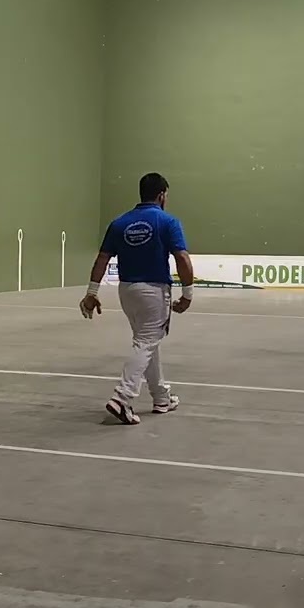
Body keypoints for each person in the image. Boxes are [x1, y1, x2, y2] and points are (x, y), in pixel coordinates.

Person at [80, 172, 195, 425]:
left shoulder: (119, 222)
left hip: (127, 292)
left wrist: (92, 293)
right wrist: (187, 295)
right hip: (153, 292)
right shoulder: (167, 221)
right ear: (162, 195)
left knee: (148, 340)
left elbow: (102, 259)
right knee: (145, 342)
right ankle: (122, 398)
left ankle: (161, 398)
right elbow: (182, 258)